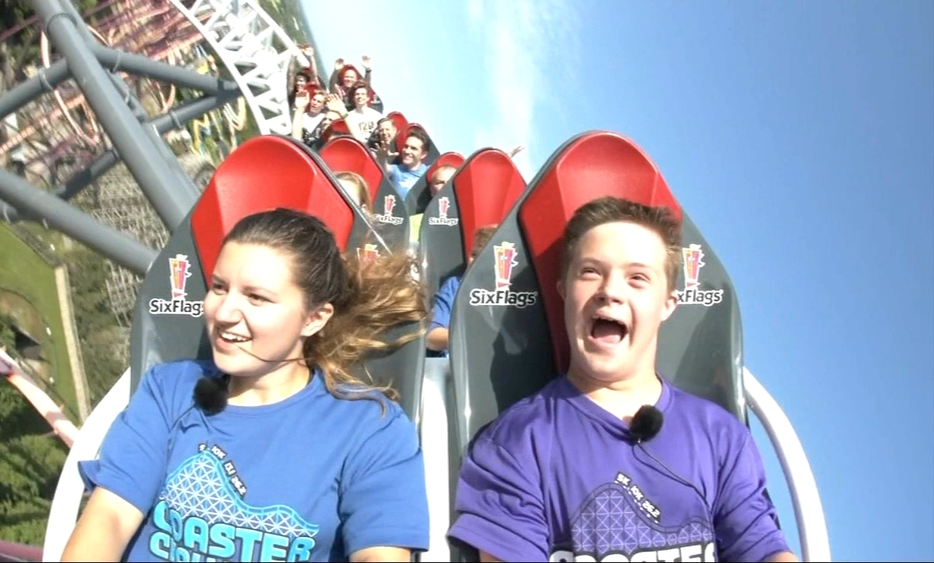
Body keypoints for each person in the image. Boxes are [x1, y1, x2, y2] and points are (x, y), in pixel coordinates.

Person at [62, 209, 430, 562]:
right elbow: (110, 517)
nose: (223, 313)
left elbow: (378, 553)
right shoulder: (170, 391)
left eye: (256, 298)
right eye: (219, 287)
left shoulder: (369, 429)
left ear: (314, 319)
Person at [447, 197, 797, 562]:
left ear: (667, 304)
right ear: (563, 291)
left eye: (637, 278)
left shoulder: (722, 437)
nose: (610, 291)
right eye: (590, 272)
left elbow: (762, 549)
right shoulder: (517, 441)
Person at [426, 225, 497, 356]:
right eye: (473, 254)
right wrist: (477, 337)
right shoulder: (455, 285)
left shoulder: (519, 289)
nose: (473, 260)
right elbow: (432, 337)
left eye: (483, 256)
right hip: (460, 361)